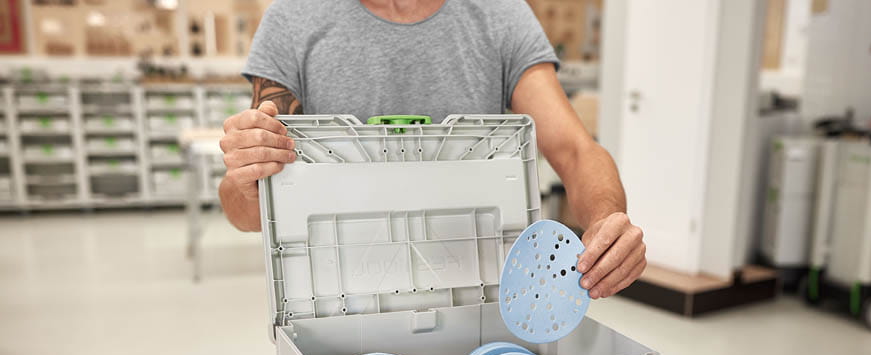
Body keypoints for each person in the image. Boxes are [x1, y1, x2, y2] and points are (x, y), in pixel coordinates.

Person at [219, 0, 645, 299]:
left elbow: (575, 150)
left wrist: (605, 219)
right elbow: (245, 212)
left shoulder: (501, 14)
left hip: (477, 298)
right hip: (335, 303)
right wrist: (249, 179)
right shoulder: (293, 18)